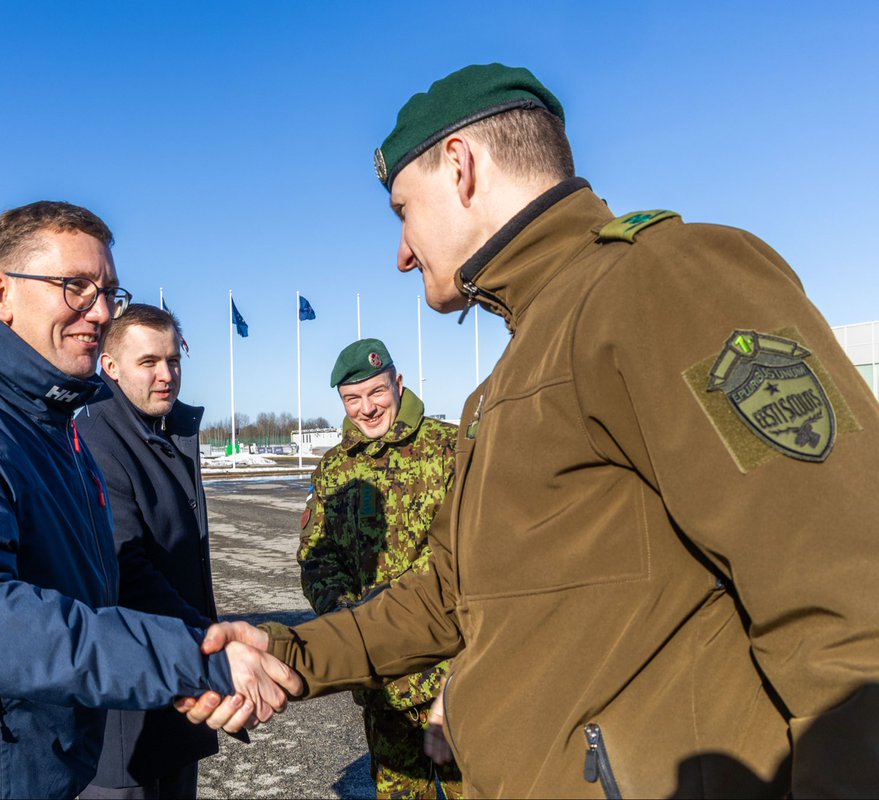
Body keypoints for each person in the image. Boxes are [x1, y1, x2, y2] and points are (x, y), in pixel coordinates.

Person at [183, 64, 879, 797]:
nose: (402, 252)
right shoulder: (510, 378)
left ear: (459, 165)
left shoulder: (660, 282)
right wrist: (289, 650)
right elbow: (449, 595)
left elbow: (843, 593)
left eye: (401, 211)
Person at [0, 201, 299, 799]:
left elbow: (107, 581)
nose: (101, 310)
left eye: (108, 289)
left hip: (40, 774)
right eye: (75, 287)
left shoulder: (54, 430)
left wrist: (209, 640)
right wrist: (190, 659)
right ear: (0, 292)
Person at [298, 338, 461, 800]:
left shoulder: (449, 449)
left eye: (377, 393)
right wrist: (352, 620)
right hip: (381, 678)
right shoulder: (335, 469)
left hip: (453, 671)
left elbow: (470, 551)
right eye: (353, 399)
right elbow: (317, 557)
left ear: (399, 383)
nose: (367, 409)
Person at [74, 303, 218, 799]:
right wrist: (210, 642)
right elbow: (124, 566)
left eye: (173, 360)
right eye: (149, 362)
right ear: (109, 367)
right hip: (126, 707)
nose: (166, 375)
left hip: (178, 687)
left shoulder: (170, 431)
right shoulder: (96, 437)